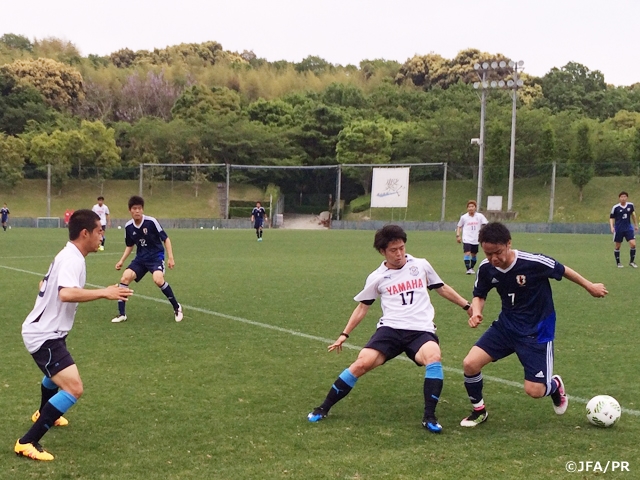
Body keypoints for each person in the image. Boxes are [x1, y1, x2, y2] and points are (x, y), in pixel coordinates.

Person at [307, 224, 473, 433]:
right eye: (393, 250)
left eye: (402, 248)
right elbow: (362, 307)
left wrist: (467, 306)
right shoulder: (377, 277)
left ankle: (429, 416)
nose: (399, 254)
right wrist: (344, 334)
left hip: (420, 330)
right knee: (361, 363)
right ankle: (323, 407)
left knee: (434, 356)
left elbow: (441, 287)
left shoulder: (420, 265)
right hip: (390, 330)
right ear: (382, 252)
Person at [459, 222, 608, 428]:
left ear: (509, 244)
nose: (494, 258)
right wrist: (476, 312)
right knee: (470, 364)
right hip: (506, 327)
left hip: (536, 331)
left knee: (534, 391)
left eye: (498, 252)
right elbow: (479, 295)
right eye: (488, 253)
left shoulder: (533, 262)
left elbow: (563, 270)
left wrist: (590, 286)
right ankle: (479, 411)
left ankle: (554, 386)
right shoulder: (486, 269)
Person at [15, 210, 133, 461]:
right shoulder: (72, 259)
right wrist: (105, 292)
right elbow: (66, 293)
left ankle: (43, 412)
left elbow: (44, 285)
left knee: (55, 376)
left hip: (50, 331)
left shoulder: (70, 255)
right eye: (100, 231)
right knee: (74, 387)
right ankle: (27, 442)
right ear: (85, 233)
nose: (102, 236)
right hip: (44, 335)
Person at [112, 195, 183, 323]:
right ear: (130, 210)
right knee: (125, 277)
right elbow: (130, 245)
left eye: (140, 208)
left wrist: (170, 257)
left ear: (142, 210)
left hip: (156, 257)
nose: (137, 211)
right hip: (141, 259)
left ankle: (177, 307)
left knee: (158, 279)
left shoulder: (151, 222)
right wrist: (121, 260)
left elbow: (165, 239)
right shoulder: (128, 227)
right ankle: (121, 314)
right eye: (135, 208)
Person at [456, 200, 488, 274]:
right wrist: (458, 235)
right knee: (467, 253)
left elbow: (485, 224)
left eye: (472, 206)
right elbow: (459, 226)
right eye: (469, 207)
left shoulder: (480, 216)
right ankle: (468, 269)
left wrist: (485, 233)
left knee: (474, 255)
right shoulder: (464, 217)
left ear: (475, 208)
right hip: (466, 238)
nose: (471, 208)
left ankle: (471, 267)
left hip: (476, 238)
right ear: (467, 208)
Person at [609, 191, 638, 268]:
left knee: (633, 244)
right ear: (619, 198)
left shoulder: (630, 205)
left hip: (628, 228)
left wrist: (635, 225)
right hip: (619, 229)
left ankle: (631, 262)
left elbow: (633, 215)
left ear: (627, 198)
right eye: (622, 197)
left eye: (625, 197)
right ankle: (618, 263)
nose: (623, 198)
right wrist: (612, 227)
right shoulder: (615, 207)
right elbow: (611, 218)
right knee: (617, 246)